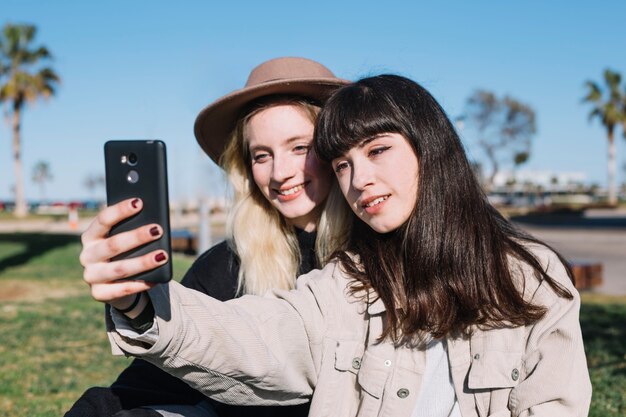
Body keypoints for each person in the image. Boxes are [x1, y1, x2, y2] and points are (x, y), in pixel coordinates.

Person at [89, 74, 592, 417]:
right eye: (343, 164)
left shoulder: (531, 276)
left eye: (377, 151)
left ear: (430, 146)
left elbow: (554, 403)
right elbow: (261, 336)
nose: (359, 179)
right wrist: (142, 303)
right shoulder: (350, 280)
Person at [66, 57, 350, 417]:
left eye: (300, 147)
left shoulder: (381, 256)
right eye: (261, 155)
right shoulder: (225, 265)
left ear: (337, 148)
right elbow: (156, 379)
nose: (280, 173)